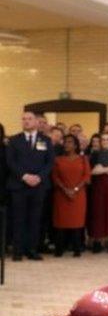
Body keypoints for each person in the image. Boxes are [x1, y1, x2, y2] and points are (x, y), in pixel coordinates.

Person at [5, 112, 54, 261]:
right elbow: (10, 161)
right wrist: (25, 176)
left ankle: (32, 250)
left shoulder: (45, 140)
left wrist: (39, 177)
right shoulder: (14, 140)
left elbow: (49, 162)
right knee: (18, 219)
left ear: (37, 122)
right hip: (19, 185)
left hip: (38, 186)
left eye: (29, 119)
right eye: (24, 119)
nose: (26, 121)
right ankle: (18, 251)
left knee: (35, 218)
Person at [51, 134, 90, 257]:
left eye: (69, 142)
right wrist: (65, 189)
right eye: (65, 142)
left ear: (75, 145)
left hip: (79, 195)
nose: (66, 144)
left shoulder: (83, 159)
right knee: (61, 222)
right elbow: (55, 177)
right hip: (61, 195)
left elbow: (87, 176)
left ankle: (77, 249)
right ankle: (59, 249)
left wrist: (76, 189)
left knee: (77, 223)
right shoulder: (58, 159)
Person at [88, 133, 108, 253]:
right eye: (103, 139)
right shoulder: (95, 154)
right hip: (98, 186)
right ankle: (97, 241)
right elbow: (92, 171)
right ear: (100, 142)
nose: (105, 141)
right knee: (98, 212)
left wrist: (101, 169)